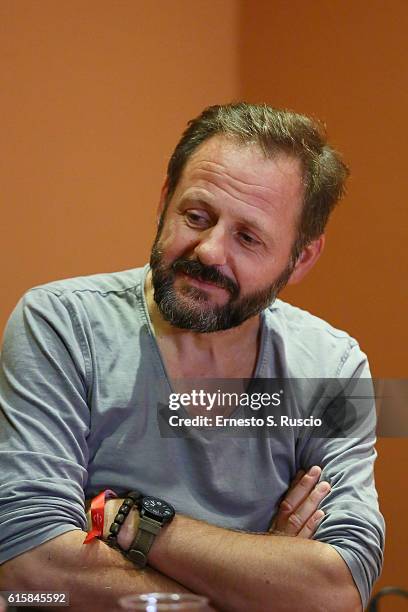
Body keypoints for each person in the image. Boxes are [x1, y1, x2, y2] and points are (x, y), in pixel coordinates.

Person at [0, 103, 384, 611]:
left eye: (248, 237)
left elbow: (338, 590)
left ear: (301, 257)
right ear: (165, 200)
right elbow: (28, 571)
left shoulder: (333, 367)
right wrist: (255, 584)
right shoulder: (60, 325)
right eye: (196, 216)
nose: (208, 250)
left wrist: (141, 526)